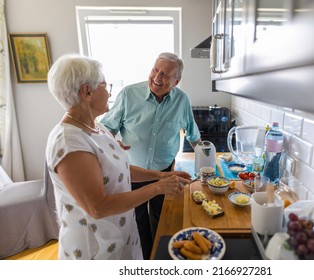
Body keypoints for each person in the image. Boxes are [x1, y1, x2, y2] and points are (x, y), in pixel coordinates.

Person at [45, 53, 191, 260]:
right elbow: (98, 207)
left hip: (120, 241)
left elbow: (120, 170)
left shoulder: (97, 128)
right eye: (105, 85)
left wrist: (161, 176)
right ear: (87, 91)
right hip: (95, 250)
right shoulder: (69, 141)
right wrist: (158, 187)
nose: (109, 91)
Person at [100, 52, 201, 259]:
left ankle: (161, 256)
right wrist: (112, 143)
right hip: (132, 171)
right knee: (136, 218)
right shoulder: (128, 94)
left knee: (161, 216)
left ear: (176, 81)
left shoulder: (181, 100)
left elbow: (193, 133)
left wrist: (205, 155)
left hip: (163, 171)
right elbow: (106, 128)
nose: (157, 77)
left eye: (165, 75)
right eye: (155, 70)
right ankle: (146, 259)